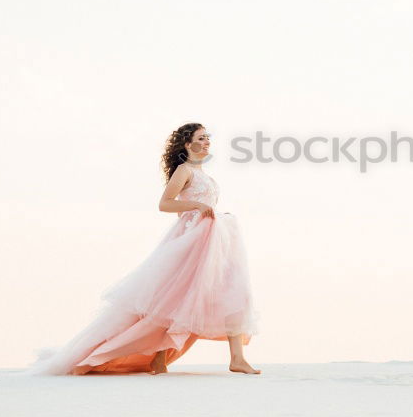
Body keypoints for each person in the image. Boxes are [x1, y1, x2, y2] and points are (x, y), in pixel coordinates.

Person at [28, 123, 260, 376]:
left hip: (215, 239)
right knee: (178, 298)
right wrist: (195, 205)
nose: (207, 142)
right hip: (192, 240)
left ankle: (237, 357)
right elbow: (165, 204)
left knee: (233, 291)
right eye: (201, 138)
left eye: (208, 138)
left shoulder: (205, 175)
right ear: (187, 144)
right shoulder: (184, 171)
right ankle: (158, 358)